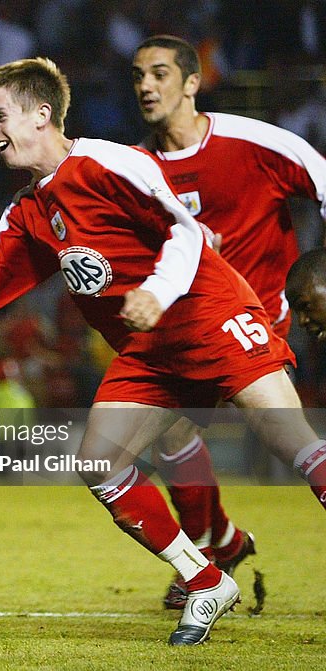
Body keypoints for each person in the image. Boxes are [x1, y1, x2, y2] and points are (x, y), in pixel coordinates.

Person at [0, 57, 326, 646]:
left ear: (41, 114)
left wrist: (155, 291)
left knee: (295, 444)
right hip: (151, 353)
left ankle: (220, 543)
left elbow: (183, 230)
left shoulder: (108, 163)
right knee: (99, 463)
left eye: (0, 116)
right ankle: (205, 579)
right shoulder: (29, 213)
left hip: (209, 315)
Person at [132, 34, 326, 609]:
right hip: (188, 327)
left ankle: (214, 543)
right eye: (138, 75)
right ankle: (217, 539)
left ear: (193, 82)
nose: (146, 85)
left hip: (255, 318)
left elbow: (321, 180)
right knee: (168, 432)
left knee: (285, 434)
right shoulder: (134, 168)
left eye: (161, 74)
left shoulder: (252, 142)